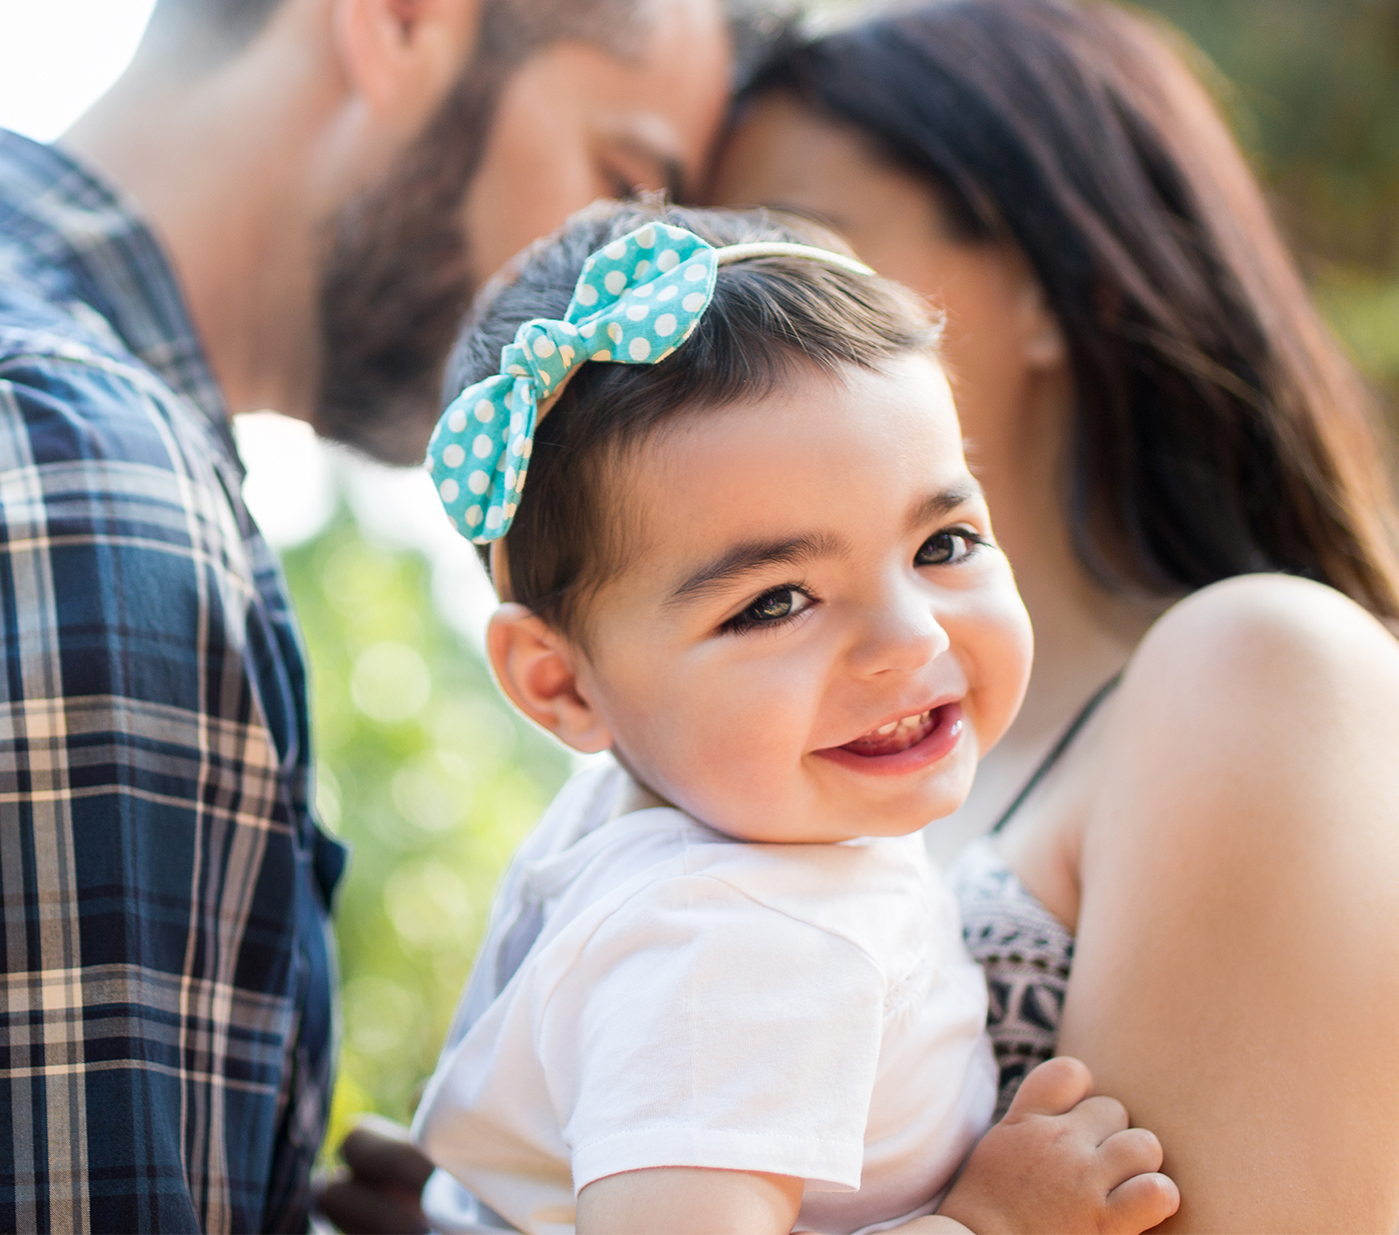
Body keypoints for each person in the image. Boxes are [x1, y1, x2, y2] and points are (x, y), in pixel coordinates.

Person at [0, 0, 772, 1228]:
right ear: (406, 7)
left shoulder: (0, 408)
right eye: (625, 183)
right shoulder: (75, 490)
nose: (638, 309)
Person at [708, 0, 1399, 1233]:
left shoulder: (1258, 672)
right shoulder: (756, 769)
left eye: (793, 251)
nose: (718, 325)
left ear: (1051, 284)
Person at [405, 203, 1178, 1235]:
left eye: (943, 542)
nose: (908, 638)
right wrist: (991, 1223)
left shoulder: (658, 838)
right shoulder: (732, 946)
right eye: (775, 602)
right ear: (563, 686)